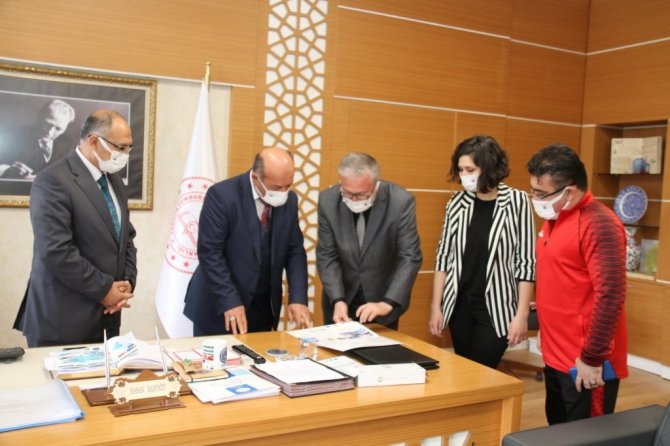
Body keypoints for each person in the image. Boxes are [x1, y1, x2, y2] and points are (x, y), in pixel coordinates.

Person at [13, 109, 137, 347]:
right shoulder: (52, 180)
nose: (125, 155)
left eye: (128, 148)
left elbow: (126, 239)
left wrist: (127, 282)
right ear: (94, 141)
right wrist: (105, 290)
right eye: (120, 147)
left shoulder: (114, 181)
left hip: (107, 317)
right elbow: (56, 250)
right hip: (62, 320)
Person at [527, 143, 627, 424]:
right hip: (555, 353)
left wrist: (592, 358)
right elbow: (564, 277)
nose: (535, 199)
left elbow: (611, 295)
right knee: (557, 428)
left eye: (540, 193)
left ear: (569, 192)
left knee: (585, 436)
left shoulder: (600, 224)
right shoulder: (556, 218)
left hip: (585, 362)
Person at [429, 135, 536, 369]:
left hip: (497, 306)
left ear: (488, 168)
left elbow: (526, 262)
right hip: (459, 305)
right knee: (467, 371)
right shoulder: (456, 203)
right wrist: (436, 307)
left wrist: (521, 316)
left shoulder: (517, 201)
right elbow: (443, 257)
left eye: (470, 170)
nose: (464, 176)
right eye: (461, 170)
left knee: (483, 369)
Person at [184, 147, 312, 335]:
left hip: (261, 310)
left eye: (288, 186)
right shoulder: (222, 196)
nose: (283, 193)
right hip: (219, 306)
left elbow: (295, 252)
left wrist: (298, 298)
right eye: (277, 188)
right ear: (255, 178)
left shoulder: (289, 201)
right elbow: (210, 253)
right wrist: (229, 300)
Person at [317, 152, 422, 329]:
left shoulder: (400, 202)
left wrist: (387, 302)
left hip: (381, 303)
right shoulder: (328, 200)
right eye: (347, 193)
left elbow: (410, 257)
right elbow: (327, 255)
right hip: (340, 302)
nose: (353, 199)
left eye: (361, 194)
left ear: (375, 184)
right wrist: (337, 299)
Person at [0, 99, 76, 179]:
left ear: (66, 127)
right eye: (47, 124)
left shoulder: (70, 146)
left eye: (58, 128)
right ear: (39, 118)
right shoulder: (12, 136)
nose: (50, 132)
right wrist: (8, 170)